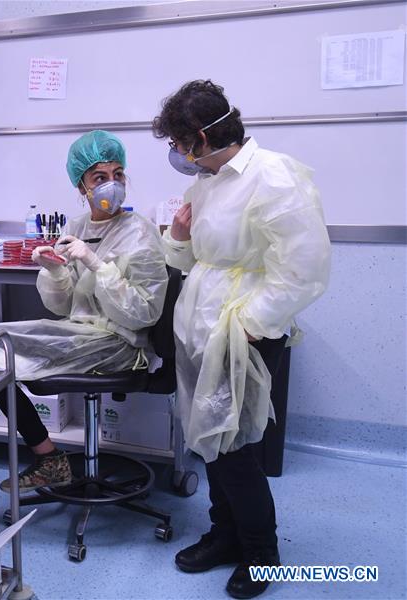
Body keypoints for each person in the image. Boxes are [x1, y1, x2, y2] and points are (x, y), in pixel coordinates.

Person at [153, 80, 331, 599]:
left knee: (234, 448)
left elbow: (305, 267)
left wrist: (252, 325)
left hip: (244, 332)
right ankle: (225, 534)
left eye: (179, 143)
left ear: (201, 137)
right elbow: (188, 262)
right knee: (208, 439)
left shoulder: (272, 175)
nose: (177, 154)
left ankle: (262, 552)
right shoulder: (204, 184)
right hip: (201, 328)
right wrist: (178, 237)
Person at [0, 130, 168, 494]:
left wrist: (96, 264)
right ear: (82, 187)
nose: (113, 184)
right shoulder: (76, 227)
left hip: (121, 342)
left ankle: (33, 456)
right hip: (82, 332)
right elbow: (62, 306)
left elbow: (144, 313)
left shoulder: (140, 233)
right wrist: (55, 269)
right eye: (100, 178)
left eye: (118, 174)